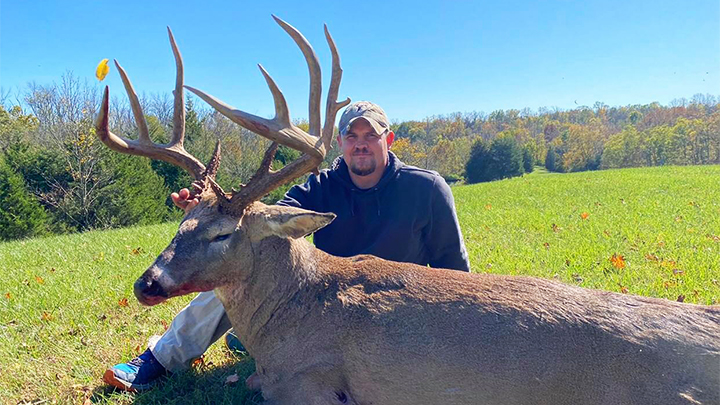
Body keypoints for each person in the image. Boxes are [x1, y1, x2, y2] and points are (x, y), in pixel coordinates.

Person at [104, 101, 471, 392]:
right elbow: (261, 219)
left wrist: (457, 326)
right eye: (352, 135)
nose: (361, 143)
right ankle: (163, 357)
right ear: (341, 143)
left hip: (391, 305)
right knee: (236, 260)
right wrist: (211, 214)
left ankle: (250, 338)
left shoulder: (426, 188)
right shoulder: (322, 185)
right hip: (328, 304)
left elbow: (453, 265)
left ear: (388, 141)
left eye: (371, 135)